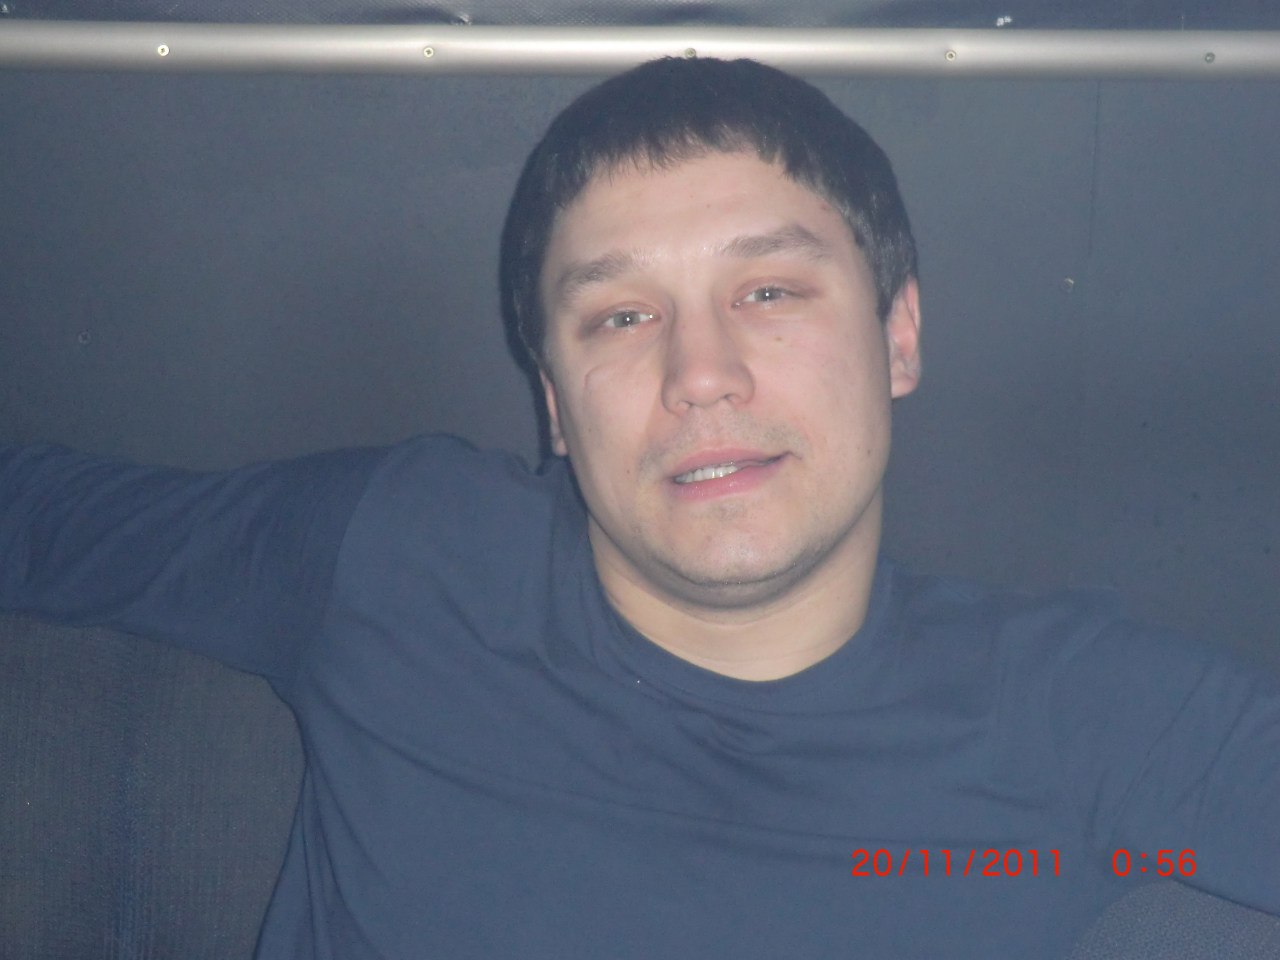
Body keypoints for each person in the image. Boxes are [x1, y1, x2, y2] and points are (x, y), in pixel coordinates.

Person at [2, 56, 1278, 959]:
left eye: (767, 292)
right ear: (555, 406)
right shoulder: (401, 554)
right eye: (621, 316)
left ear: (897, 336)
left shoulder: (1076, 712)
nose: (698, 374)